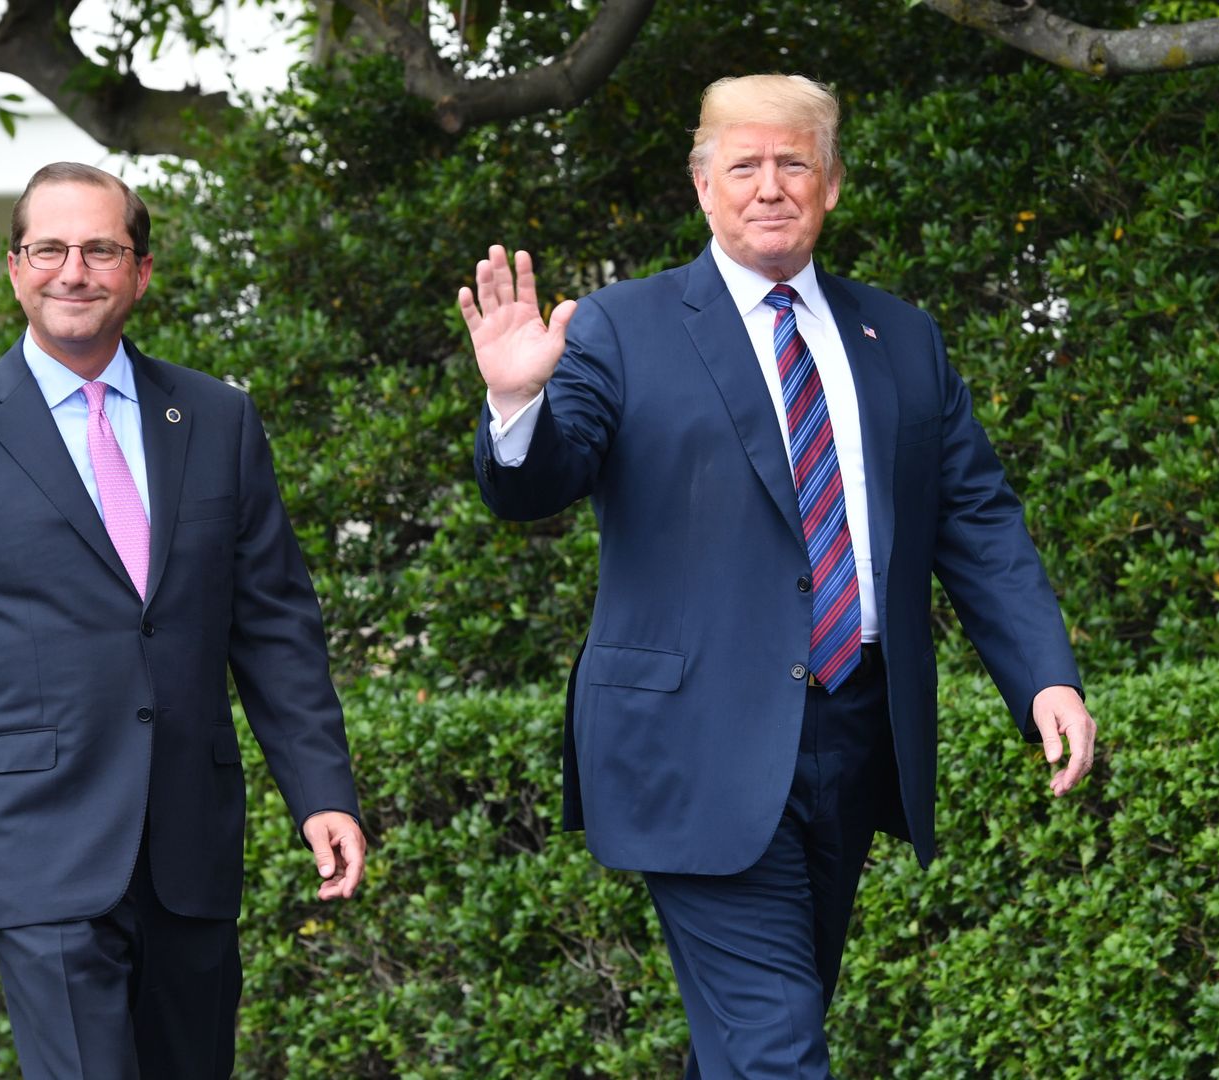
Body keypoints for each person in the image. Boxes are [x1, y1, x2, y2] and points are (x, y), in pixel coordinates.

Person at [460, 74, 1096, 1077]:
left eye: (793, 162)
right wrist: (515, 405)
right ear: (703, 184)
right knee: (777, 1049)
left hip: (855, 733)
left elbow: (975, 517)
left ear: (831, 183)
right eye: (743, 164)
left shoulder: (903, 338)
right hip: (695, 746)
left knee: (761, 1039)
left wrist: (1046, 676)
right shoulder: (622, 326)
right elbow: (540, 482)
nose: (769, 185)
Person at [0, 162, 366, 1079]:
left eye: (100, 250)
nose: (72, 270)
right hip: (37, 844)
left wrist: (321, 791)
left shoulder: (218, 418)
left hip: (189, 847)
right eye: (48, 248)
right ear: (14, 268)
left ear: (142, 272)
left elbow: (275, 625)